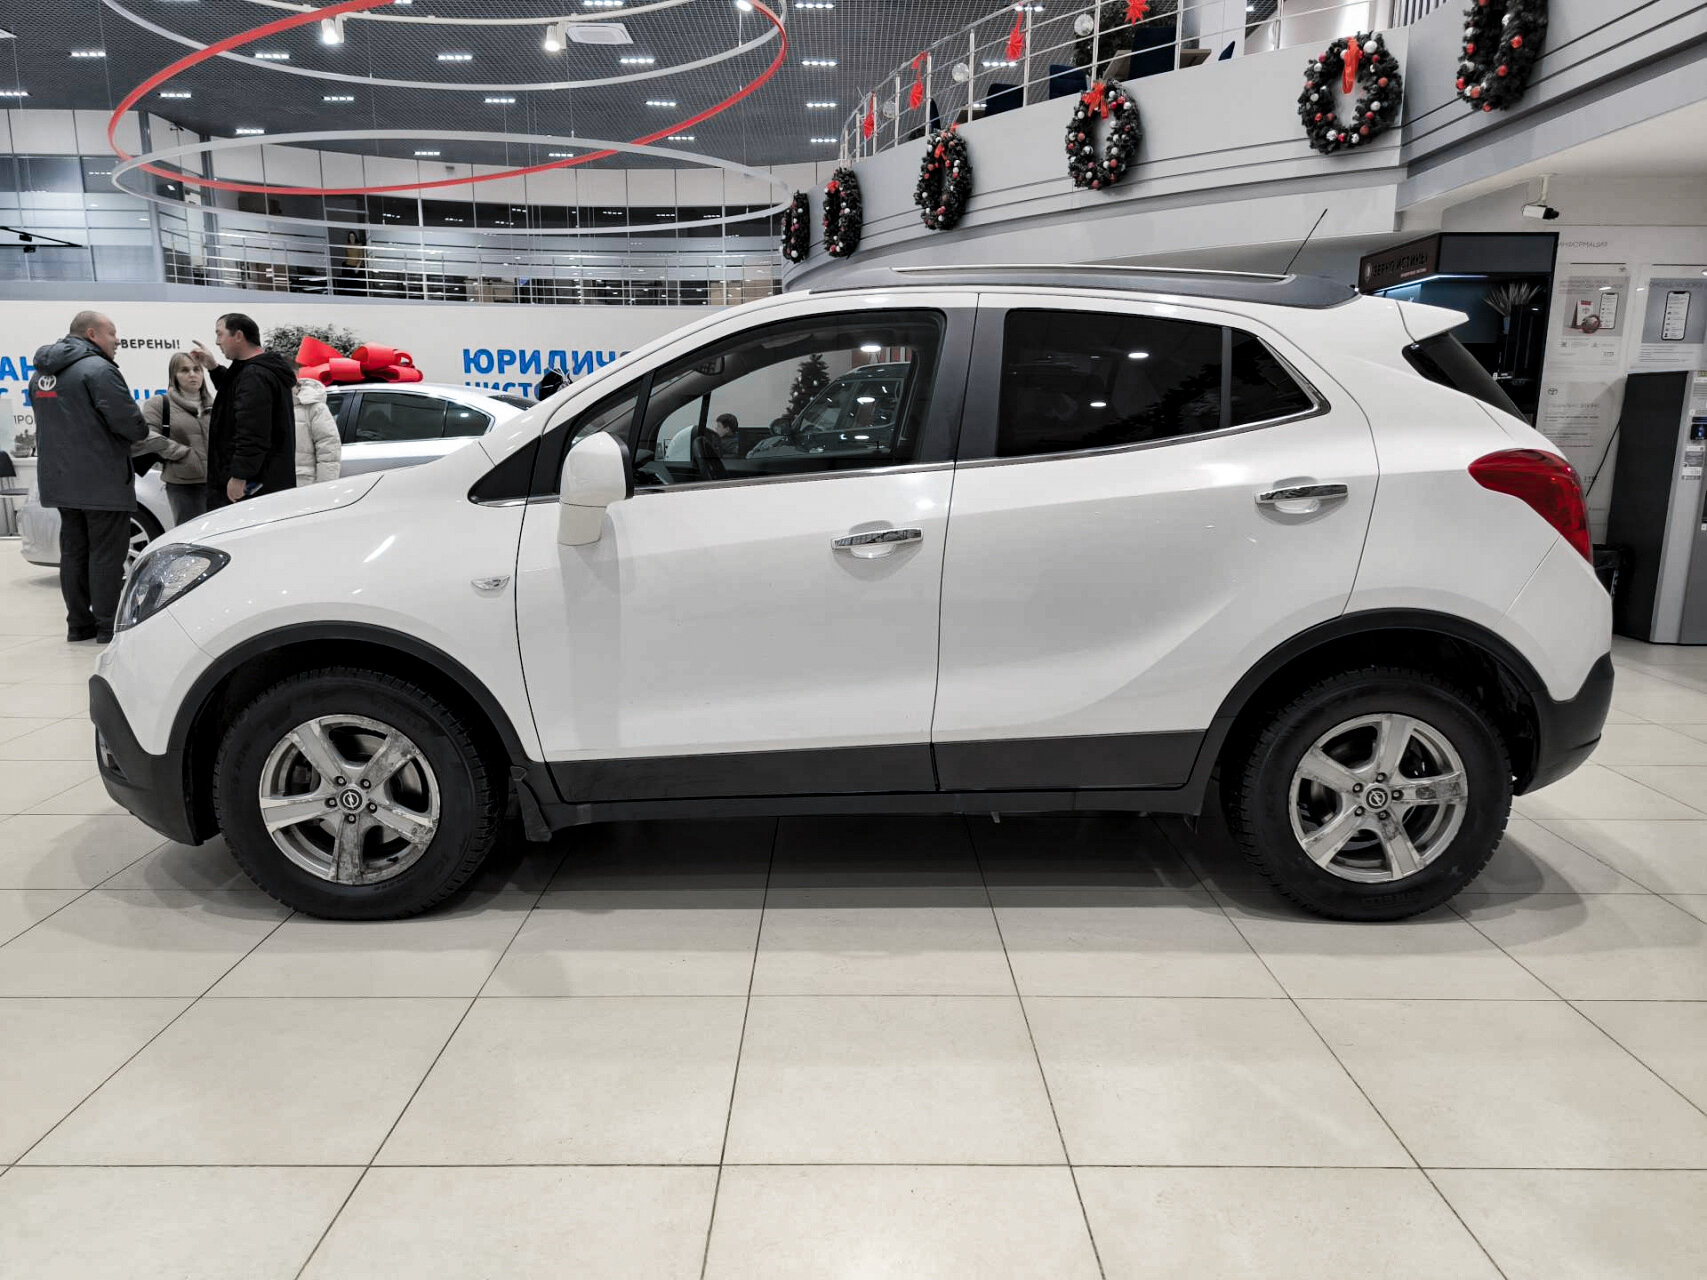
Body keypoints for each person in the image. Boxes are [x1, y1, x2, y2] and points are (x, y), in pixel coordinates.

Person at [30, 311, 149, 642]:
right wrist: (141, 429)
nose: (117, 341)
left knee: (73, 553)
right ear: (93, 333)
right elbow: (130, 424)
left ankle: (79, 625)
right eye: (113, 334)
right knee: (106, 554)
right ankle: (108, 625)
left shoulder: (40, 375)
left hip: (60, 481)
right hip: (102, 481)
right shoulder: (99, 370)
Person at [191, 313, 298, 509]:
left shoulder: (255, 375)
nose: (217, 342)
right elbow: (234, 393)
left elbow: (253, 431)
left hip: (253, 488)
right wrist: (213, 367)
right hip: (266, 482)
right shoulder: (257, 371)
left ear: (238, 335)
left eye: (220, 334)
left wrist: (240, 476)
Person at [140, 351, 213, 524]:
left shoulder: (214, 404)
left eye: (197, 369)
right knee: (192, 535)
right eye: (184, 370)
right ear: (174, 375)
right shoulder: (159, 403)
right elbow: (147, 437)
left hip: (217, 483)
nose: (192, 374)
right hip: (184, 485)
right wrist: (183, 454)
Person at [291, 373, 342, 487]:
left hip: (304, 483)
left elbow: (329, 450)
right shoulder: (270, 406)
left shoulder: (314, 407)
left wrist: (324, 487)